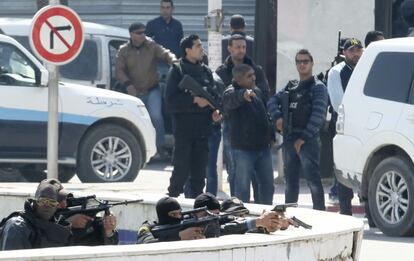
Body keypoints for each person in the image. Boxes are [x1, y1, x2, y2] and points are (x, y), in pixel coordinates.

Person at [268, 49, 328, 211]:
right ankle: (289, 213)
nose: (302, 65)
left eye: (305, 61)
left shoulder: (318, 88)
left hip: (308, 140)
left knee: (313, 180)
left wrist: (303, 139)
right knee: (290, 181)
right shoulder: (291, 86)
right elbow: (272, 101)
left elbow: (318, 116)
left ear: (312, 63)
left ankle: (320, 214)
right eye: (299, 62)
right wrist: (278, 117)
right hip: (289, 138)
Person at [165, 34, 221, 198]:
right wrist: (193, 100)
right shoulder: (177, 71)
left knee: (199, 173)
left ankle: (196, 207)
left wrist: (215, 113)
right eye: (197, 46)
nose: (201, 48)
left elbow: (214, 97)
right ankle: (171, 203)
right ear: (187, 50)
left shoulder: (206, 71)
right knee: (180, 170)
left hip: (203, 130)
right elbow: (170, 101)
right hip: (184, 130)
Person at [217, 34, 270, 200]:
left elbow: (264, 100)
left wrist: (272, 134)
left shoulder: (256, 70)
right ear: (230, 48)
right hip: (237, 136)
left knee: (265, 185)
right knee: (238, 180)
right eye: (238, 47)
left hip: (261, 142)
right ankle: (239, 215)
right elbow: (227, 97)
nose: (241, 50)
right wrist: (242, 95)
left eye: (244, 47)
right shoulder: (222, 72)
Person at [116, 22, 177, 157]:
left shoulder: (151, 46)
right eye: (139, 33)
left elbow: (165, 53)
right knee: (133, 120)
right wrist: (128, 84)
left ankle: (160, 147)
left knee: (156, 117)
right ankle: (137, 150)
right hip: (134, 92)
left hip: (152, 89)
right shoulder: (124, 50)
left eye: (144, 32)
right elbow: (119, 71)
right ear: (132, 35)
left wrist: (175, 62)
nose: (143, 35)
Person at [222, 64, 274, 205]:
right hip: (243, 149)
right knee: (242, 189)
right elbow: (230, 99)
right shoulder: (230, 92)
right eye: (249, 76)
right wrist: (243, 95)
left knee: (267, 187)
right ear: (238, 80)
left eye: (253, 74)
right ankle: (241, 219)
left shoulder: (256, 91)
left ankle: (267, 217)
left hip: (263, 148)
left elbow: (265, 116)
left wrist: (272, 135)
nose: (253, 78)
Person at [327, 39, 364, 215]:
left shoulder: (366, 68)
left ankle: (370, 211)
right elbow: (337, 103)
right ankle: (346, 210)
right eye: (352, 50)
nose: (356, 53)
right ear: (344, 52)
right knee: (344, 168)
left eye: (358, 49)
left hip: (365, 126)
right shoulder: (337, 72)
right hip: (343, 125)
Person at [42, 178, 119, 246]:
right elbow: (46, 241)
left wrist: (108, 231)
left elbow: (107, 246)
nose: (64, 205)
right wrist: (67, 224)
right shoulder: (36, 222)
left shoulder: (74, 211)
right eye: (57, 202)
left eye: (65, 199)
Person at [0, 181, 71, 250]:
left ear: (57, 206)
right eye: (42, 201)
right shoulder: (17, 226)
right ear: (35, 202)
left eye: (51, 202)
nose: (46, 206)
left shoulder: (57, 225)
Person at [193, 193, 290, 237]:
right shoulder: (187, 224)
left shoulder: (219, 219)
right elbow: (223, 230)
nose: (211, 218)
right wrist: (259, 221)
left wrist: (267, 225)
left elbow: (238, 222)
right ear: (196, 213)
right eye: (206, 214)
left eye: (215, 215)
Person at [136, 197, 204, 243]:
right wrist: (178, 236)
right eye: (173, 214)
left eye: (179, 213)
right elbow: (146, 242)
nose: (178, 217)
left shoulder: (186, 223)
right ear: (162, 215)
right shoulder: (147, 227)